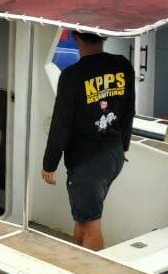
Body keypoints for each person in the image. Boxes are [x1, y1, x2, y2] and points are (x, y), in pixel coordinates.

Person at [41, 31, 135, 251]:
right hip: (114, 155)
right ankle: (77, 260)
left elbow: (60, 125)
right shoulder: (122, 65)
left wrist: (49, 164)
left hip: (87, 163)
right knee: (83, 218)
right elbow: (129, 110)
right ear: (104, 36)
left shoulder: (72, 76)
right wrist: (124, 147)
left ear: (76, 37)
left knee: (91, 225)